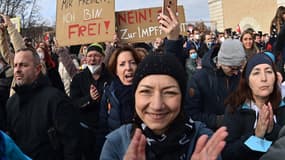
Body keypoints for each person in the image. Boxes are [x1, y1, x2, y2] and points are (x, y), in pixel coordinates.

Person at [100, 53, 227, 160]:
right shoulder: (116, 144)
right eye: (146, 92)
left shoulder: (203, 141)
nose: (157, 105)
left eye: (169, 93)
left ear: (182, 98)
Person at [5, 48, 81, 160]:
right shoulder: (11, 103)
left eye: (23, 65)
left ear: (38, 69)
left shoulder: (56, 99)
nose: (17, 70)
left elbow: (72, 144)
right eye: (15, 65)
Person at [222, 53, 285, 160]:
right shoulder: (235, 108)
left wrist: (273, 130)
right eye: (256, 73)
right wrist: (256, 137)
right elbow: (227, 154)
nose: (264, 78)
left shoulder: (282, 107)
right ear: (247, 81)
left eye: (269, 72)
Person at [185, 38, 246, 130]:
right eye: (232, 68)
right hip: (210, 134)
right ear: (220, 62)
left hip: (235, 131)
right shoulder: (199, 79)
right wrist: (217, 121)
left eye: (239, 68)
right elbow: (192, 113)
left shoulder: (238, 76)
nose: (236, 73)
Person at [70, 43, 112, 160]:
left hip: (107, 130)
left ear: (102, 57)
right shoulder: (78, 78)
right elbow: (73, 103)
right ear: (85, 58)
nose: (92, 59)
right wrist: (89, 99)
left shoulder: (111, 77)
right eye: (89, 56)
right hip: (86, 131)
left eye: (96, 55)